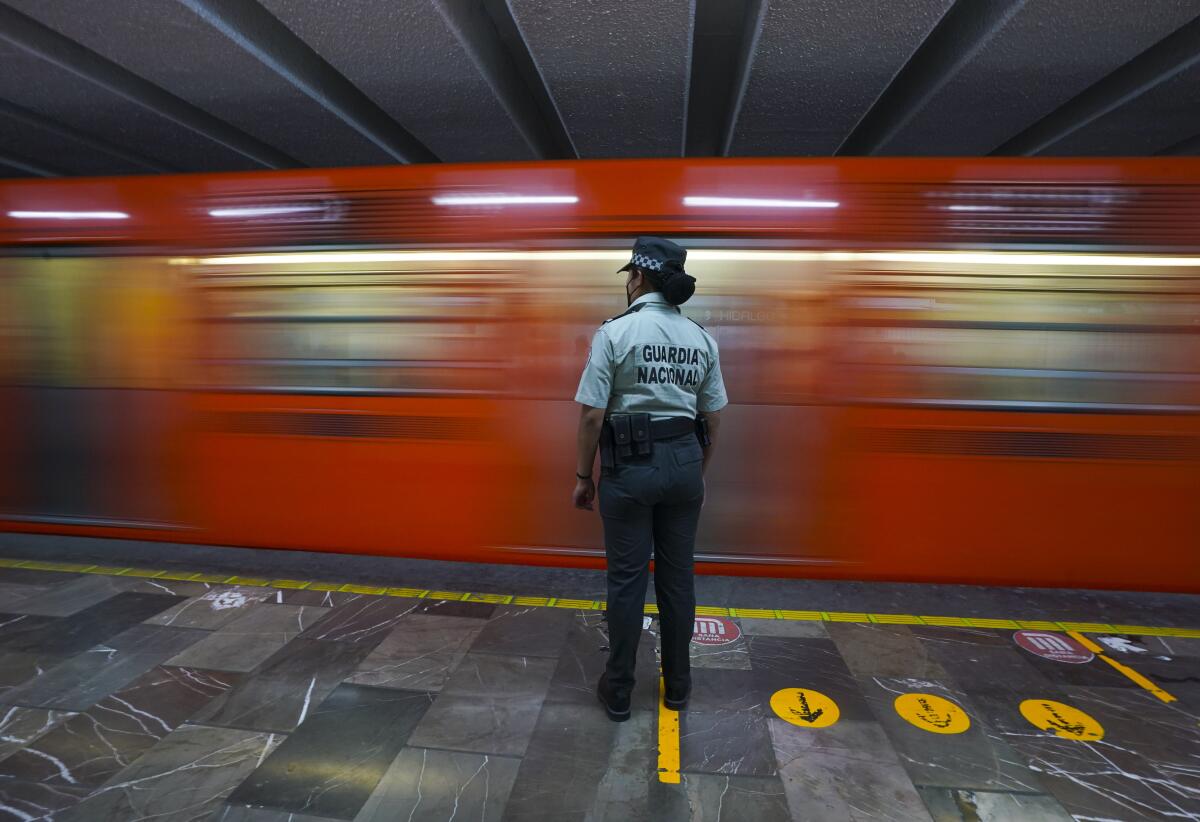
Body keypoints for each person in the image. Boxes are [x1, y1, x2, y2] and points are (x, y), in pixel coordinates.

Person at [572, 236, 727, 721]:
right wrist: (695, 472)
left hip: (629, 468)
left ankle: (618, 690)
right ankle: (678, 685)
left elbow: (593, 416)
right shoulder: (701, 338)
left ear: (638, 277)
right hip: (684, 464)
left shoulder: (615, 333)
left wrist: (584, 476)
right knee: (678, 581)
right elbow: (715, 416)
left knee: (626, 582)